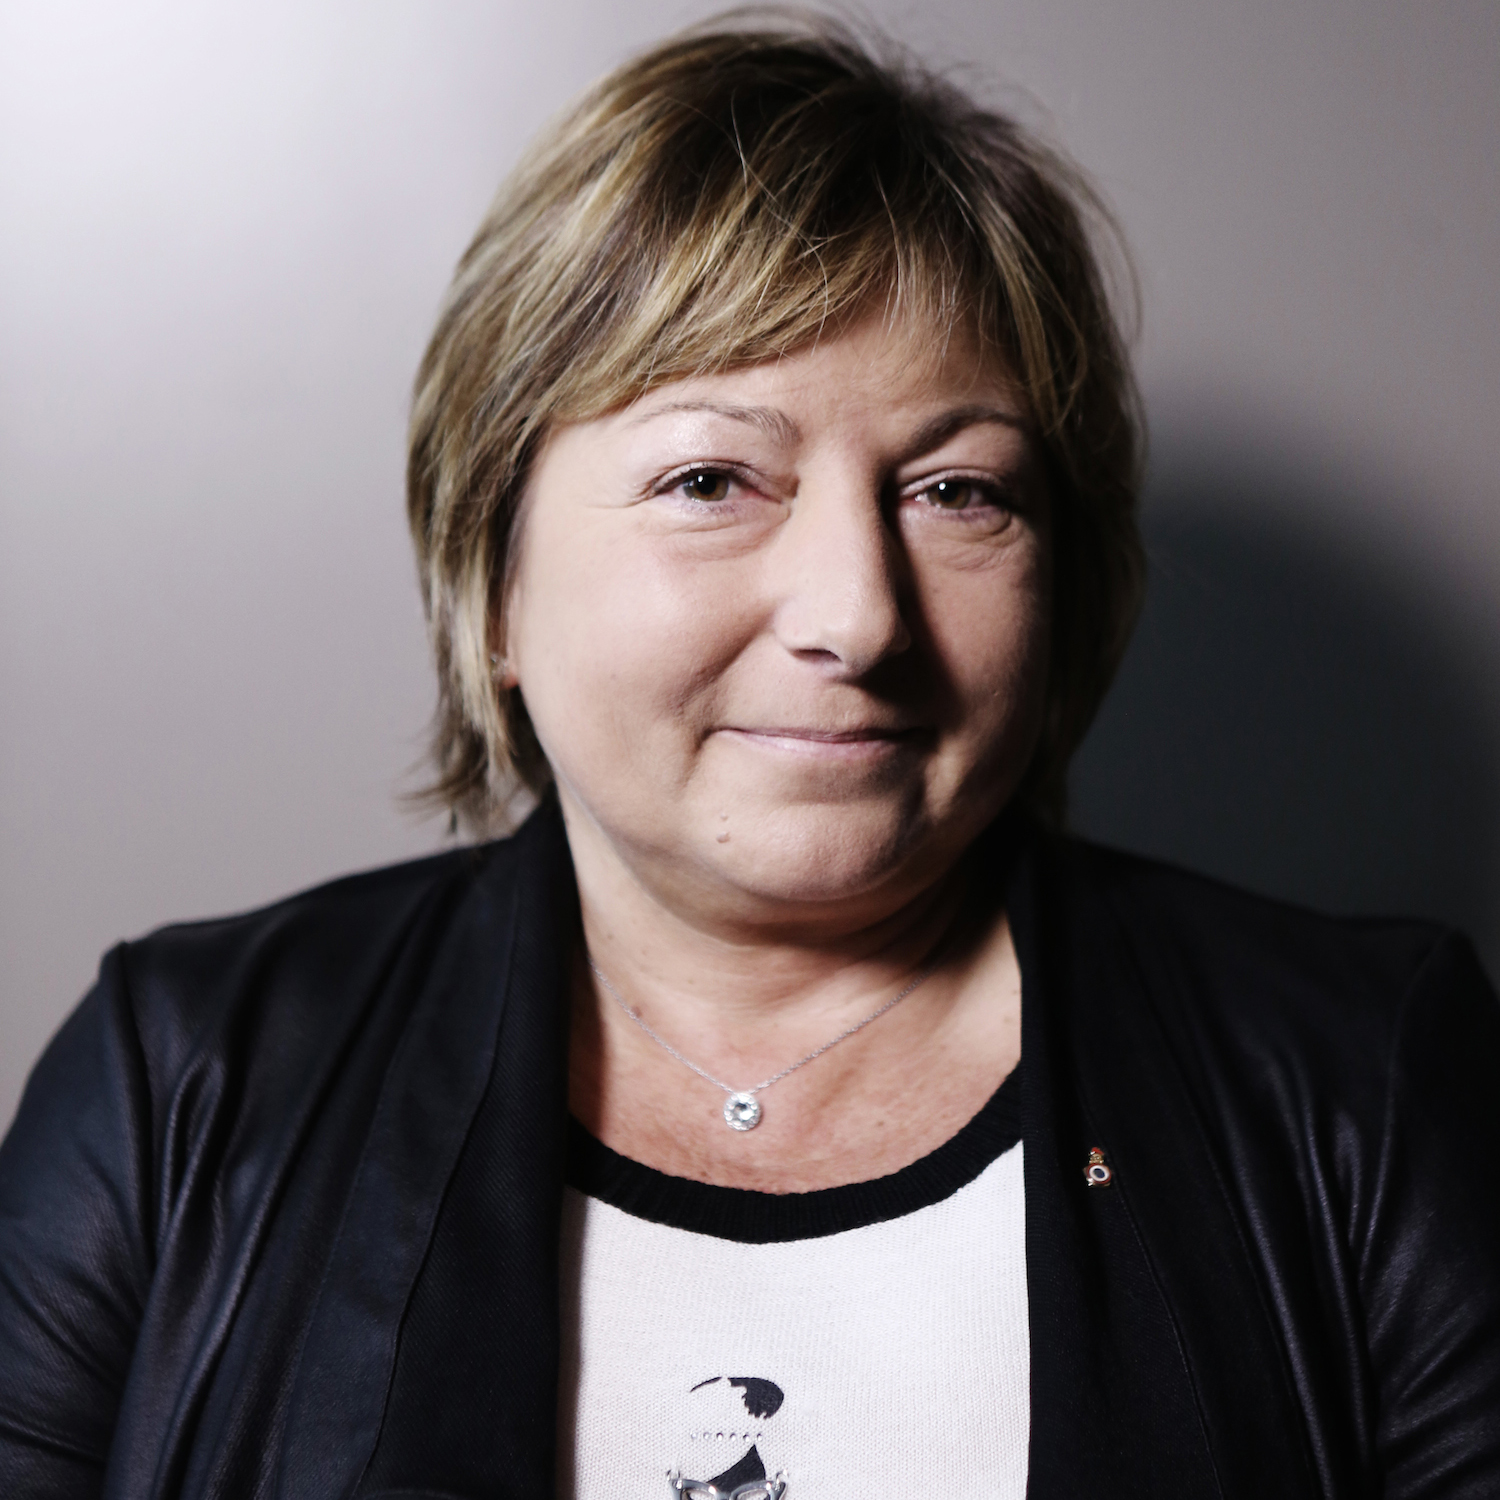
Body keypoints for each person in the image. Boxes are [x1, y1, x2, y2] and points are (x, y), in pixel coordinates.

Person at [2, 15, 1498, 1500]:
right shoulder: (177, 1081)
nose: (858, 614)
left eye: (957, 492)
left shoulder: (1363, 1083)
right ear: (494, 579)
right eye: (712, 477)